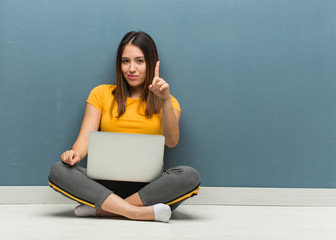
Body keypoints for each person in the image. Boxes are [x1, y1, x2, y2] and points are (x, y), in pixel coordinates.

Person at [48, 31, 200, 222]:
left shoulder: (168, 101)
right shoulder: (100, 93)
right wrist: (74, 154)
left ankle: (103, 210)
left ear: (151, 63)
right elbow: (85, 137)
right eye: (125, 61)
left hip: (149, 187)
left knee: (189, 176)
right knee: (58, 170)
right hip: (104, 186)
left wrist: (165, 99)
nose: (131, 68)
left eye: (139, 61)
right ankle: (136, 212)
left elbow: (171, 141)